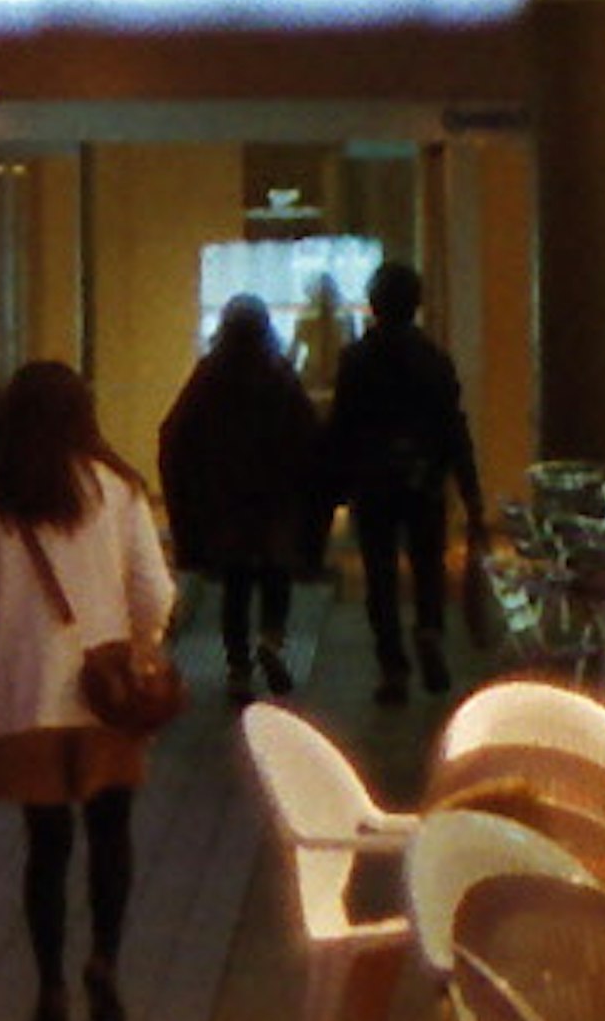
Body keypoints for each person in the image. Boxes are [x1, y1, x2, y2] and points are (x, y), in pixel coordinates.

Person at [0, 356, 178, 1021]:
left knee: (45, 850)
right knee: (112, 835)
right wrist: (142, 642)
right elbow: (156, 594)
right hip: (107, 700)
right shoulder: (120, 490)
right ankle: (104, 961)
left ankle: (49, 987)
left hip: (26, 701)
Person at [322, 258, 487, 708]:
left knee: (380, 577)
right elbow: (454, 428)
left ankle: (392, 666)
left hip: (373, 483)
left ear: (375, 305)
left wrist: (330, 488)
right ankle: (430, 629)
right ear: (417, 304)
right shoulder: (434, 359)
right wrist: (471, 495)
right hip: (425, 481)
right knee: (428, 565)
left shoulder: (356, 360)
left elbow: (343, 428)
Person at [156, 292, 322, 704]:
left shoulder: (209, 376)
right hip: (275, 501)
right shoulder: (279, 374)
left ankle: (238, 667)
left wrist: (189, 500)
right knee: (275, 577)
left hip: (226, 502)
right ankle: (271, 638)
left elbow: (175, 436)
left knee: (235, 587)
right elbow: (309, 436)